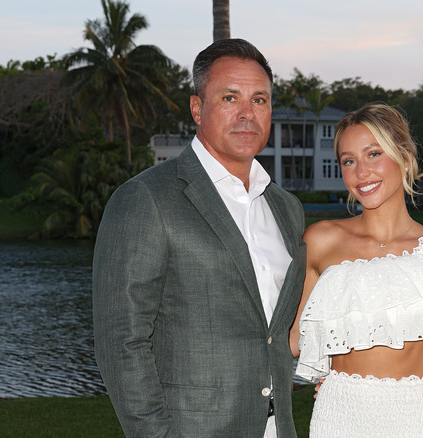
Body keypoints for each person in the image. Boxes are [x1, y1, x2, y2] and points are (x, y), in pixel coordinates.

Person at [92, 39, 306, 438]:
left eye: (259, 100)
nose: (247, 113)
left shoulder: (286, 208)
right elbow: (121, 341)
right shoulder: (146, 198)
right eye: (230, 97)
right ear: (196, 108)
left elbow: (283, 331)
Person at [289, 103, 423, 437]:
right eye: (348, 160)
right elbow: (296, 341)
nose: (360, 172)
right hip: (338, 412)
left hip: (414, 414)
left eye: (373, 154)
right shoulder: (321, 240)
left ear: (405, 159)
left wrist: (406, 386)